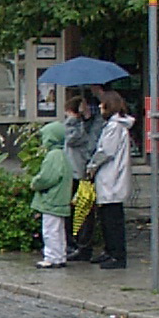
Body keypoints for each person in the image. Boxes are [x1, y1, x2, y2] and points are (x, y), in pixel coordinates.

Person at [86, 89, 135, 270]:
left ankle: (117, 255)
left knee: (112, 219)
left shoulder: (115, 127)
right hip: (109, 179)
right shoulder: (114, 126)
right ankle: (110, 251)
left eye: (102, 103)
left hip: (112, 179)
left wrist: (91, 166)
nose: (99, 106)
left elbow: (105, 151)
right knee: (107, 218)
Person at [64, 93, 104, 262]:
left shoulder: (84, 126)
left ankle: (82, 245)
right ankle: (74, 243)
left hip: (80, 173)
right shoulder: (84, 124)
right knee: (73, 211)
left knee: (83, 211)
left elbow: (74, 139)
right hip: (73, 171)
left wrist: (76, 119)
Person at [29, 120, 72, 268]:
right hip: (61, 197)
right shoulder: (63, 154)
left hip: (51, 198)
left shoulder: (53, 155)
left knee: (50, 230)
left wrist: (35, 183)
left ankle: (51, 257)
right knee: (59, 230)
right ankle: (60, 256)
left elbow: (48, 177)